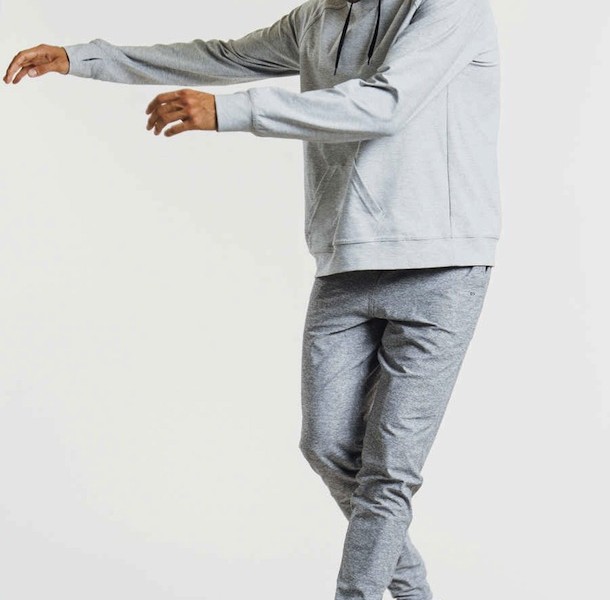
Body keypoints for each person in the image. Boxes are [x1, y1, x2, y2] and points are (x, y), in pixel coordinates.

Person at [3, 1, 501, 599]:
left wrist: (229, 111)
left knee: (389, 471)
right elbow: (223, 56)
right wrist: (82, 58)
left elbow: (386, 104)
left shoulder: (450, 8)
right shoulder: (317, 18)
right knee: (325, 447)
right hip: (345, 261)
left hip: (440, 265)